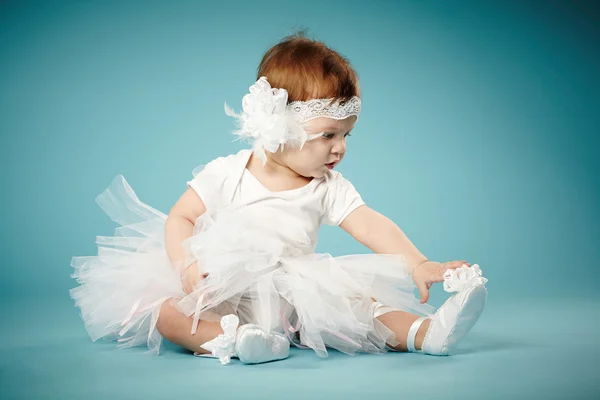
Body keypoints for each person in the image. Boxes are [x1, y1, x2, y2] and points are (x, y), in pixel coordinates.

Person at [70, 33, 488, 365]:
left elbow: (371, 224)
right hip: (223, 287)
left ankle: (425, 333)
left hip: (296, 289)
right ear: (281, 127)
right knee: (166, 314)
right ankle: (235, 340)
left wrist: (417, 262)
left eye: (346, 135)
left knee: (361, 306)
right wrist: (186, 266)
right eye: (328, 135)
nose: (340, 148)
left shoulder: (326, 185)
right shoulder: (229, 172)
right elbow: (180, 217)